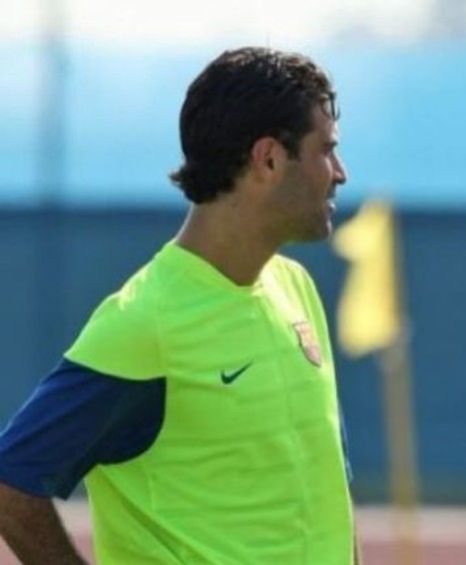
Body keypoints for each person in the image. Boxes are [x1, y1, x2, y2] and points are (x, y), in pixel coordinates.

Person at [0, 47, 358, 564]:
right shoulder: (145, 324)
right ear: (270, 159)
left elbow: (329, 494)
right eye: (325, 150)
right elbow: (11, 483)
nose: (339, 172)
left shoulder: (296, 288)